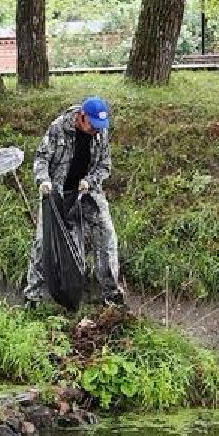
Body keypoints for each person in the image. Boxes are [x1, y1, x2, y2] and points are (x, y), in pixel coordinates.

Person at [24, 95, 127, 307]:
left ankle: (111, 294)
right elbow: (41, 158)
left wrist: (90, 181)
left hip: (88, 192)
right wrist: (43, 181)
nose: (96, 130)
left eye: (100, 126)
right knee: (44, 242)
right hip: (56, 193)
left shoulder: (101, 133)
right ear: (81, 117)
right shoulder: (58, 127)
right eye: (93, 125)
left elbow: (104, 166)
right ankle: (33, 296)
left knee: (107, 237)